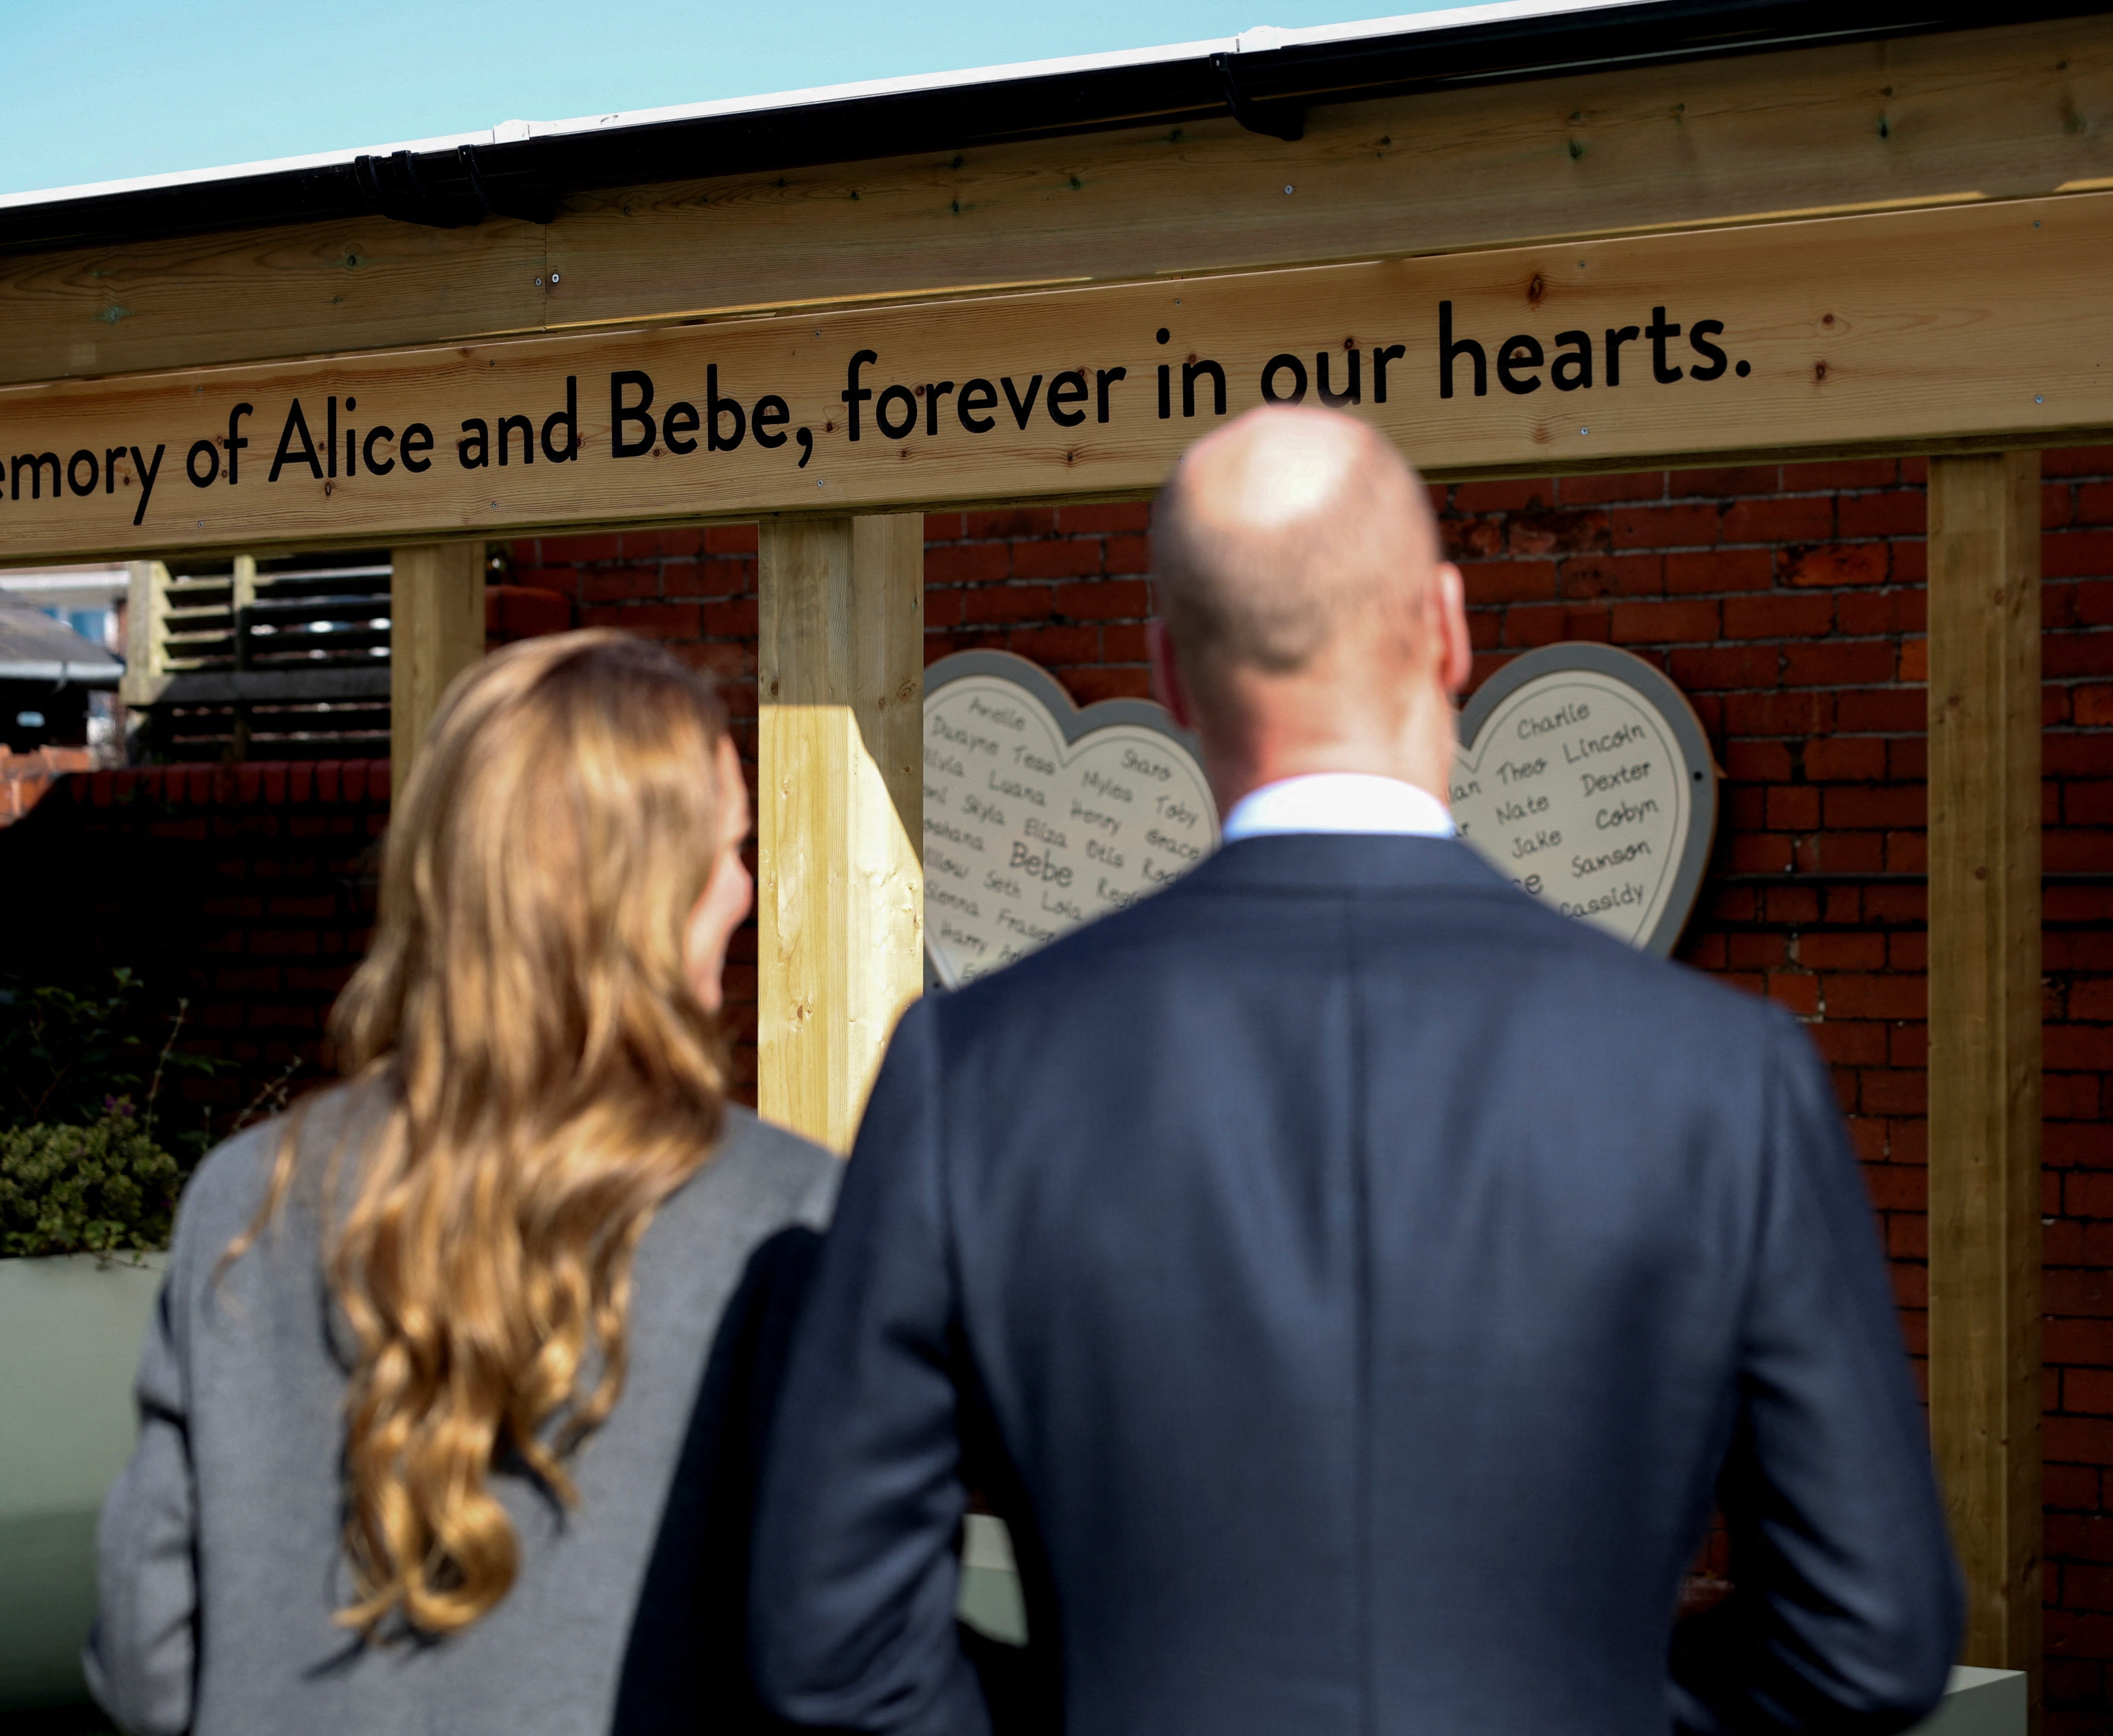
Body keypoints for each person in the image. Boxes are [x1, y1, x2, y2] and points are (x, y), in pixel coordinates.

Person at [750, 407, 1964, 1736]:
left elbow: (836, 1639)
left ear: (1169, 672)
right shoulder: (1723, 1077)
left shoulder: (973, 1068)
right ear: (1446, 626)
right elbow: (1869, 1636)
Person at [89, 632, 839, 1736]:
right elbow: (843, 1646)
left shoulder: (244, 1199)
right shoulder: (789, 1214)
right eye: (727, 848)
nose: (741, 885)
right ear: (641, 889)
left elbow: (147, 1660)